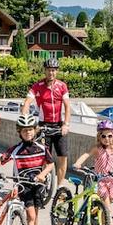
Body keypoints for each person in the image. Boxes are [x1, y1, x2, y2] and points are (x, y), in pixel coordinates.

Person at [0, 113, 54, 225]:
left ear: (35, 130)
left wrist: (43, 175)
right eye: (24, 130)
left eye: (30, 129)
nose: (28, 132)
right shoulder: (16, 149)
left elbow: (50, 164)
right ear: (19, 132)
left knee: (35, 214)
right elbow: (2, 159)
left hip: (37, 185)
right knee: (30, 214)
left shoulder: (42, 148)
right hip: (23, 185)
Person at [21, 57, 71, 190]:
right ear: (45, 71)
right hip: (43, 125)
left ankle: (59, 187)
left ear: (57, 72)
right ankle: (43, 182)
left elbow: (67, 106)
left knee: (62, 157)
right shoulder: (37, 86)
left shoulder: (62, 86)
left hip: (59, 126)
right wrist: (24, 120)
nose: (51, 73)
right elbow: (27, 103)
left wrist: (66, 124)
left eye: (54, 70)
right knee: (43, 157)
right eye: (49, 70)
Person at [73, 120, 113, 225]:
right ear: (99, 137)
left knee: (107, 208)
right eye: (103, 136)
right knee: (107, 209)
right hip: (101, 181)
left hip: (112, 182)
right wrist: (78, 163)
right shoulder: (97, 149)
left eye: (109, 136)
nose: (106, 139)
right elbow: (86, 155)